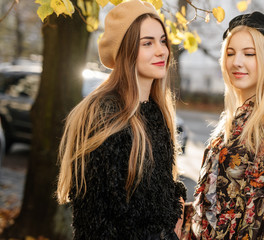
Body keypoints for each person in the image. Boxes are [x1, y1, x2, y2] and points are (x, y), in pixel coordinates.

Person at [56, 1, 186, 239]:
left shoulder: (156, 111)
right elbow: (94, 223)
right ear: (125, 51)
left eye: (163, 40)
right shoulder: (105, 116)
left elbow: (160, 188)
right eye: (147, 43)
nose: (161, 50)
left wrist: (176, 211)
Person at [181, 11, 264, 240]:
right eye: (230, 53)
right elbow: (219, 202)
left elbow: (259, 222)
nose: (236, 62)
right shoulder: (237, 117)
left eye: (249, 54)